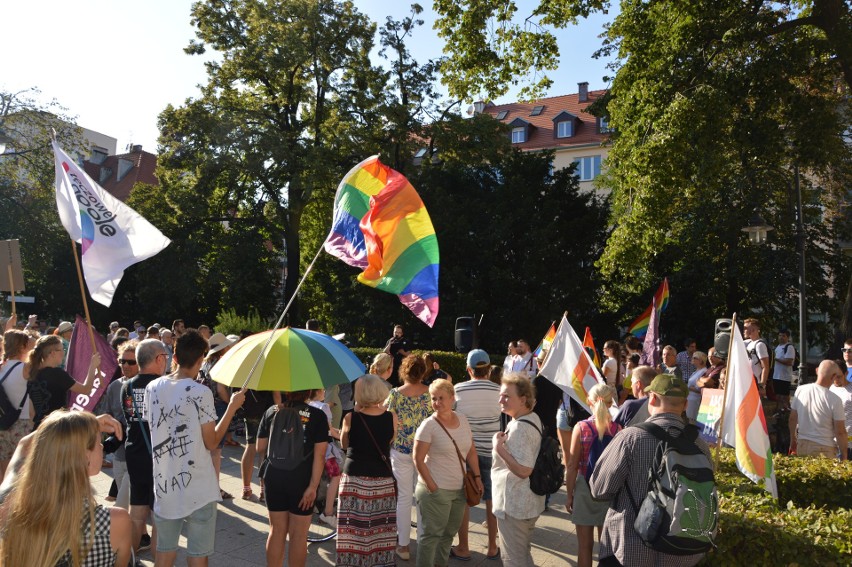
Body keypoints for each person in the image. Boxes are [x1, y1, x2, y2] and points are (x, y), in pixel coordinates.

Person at [145, 329, 246, 567]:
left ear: (175, 357)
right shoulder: (201, 393)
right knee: (198, 555)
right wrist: (231, 408)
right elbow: (212, 443)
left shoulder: (153, 388)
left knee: (165, 552)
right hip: (199, 487)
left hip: (165, 484)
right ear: (201, 360)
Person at [590, 374, 712, 566]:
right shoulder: (701, 446)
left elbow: (599, 489)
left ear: (652, 398)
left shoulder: (630, 438)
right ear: (685, 404)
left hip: (630, 551)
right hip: (683, 553)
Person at [0, 410, 132, 567]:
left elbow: (23, 445)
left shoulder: (9, 507)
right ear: (85, 458)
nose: (102, 446)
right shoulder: (115, 522)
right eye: (98, 443)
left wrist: (73, 427)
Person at [413, 379, 483, 567]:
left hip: (459, 489)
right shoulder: (429, 425)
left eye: (441, 398)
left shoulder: (463, 419)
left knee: (448, 535)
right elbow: (418, 459)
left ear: (452, 398)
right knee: (431, 536)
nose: (436, 402)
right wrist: (432, 487)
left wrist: (477, 477)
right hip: (436, 491)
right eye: (433, 398)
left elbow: (471, 451)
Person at [257, 389, 328, 567]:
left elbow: (260, 447)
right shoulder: (317, 415)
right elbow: (320, 456)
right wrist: (313, 486)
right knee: (298, 535)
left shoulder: (272, 411)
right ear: (309, 391)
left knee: (276, 530)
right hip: (301, 478)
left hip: (274, 475)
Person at [337, 375, 398, 566]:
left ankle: (351, 561)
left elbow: (344, 444)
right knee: (380, 527)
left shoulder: (351, 417)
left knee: (352, 526)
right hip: (382, 479)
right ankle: (379, 561)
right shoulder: (391, 417)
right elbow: (389, 442)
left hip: (354, 477)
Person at [491, 373, 546, 567]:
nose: (501, 399)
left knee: (513, 560)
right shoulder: (531, 418)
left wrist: (498, 448)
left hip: (515, 506)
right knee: (522, 555)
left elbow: (524, 470)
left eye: (506, 396)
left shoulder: (520, 428)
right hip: (526, 503)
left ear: (523, 399)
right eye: (501, 395)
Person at [451, 350, 501, 560]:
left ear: (469, 369)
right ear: (489, 369)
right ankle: (492, 546)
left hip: (466, 451)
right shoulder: (500, 390)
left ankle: (463, 546)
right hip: (493, 451)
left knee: (464, 497)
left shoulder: (458, 389)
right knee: (492, 500)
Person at [564, 384, 621, 567]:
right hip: (609, 491)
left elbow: (572, 465)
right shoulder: (619, 429)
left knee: (584, 546)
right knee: (606, 547)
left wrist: (569, 494)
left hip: (584, 487)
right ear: (611, 402)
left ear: (589, 401)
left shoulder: (581, 427)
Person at [121, 338, 168, 553]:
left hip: (135, 453)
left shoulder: (126, 386)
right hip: (161, 456)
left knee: (137, 510)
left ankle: (129, 558)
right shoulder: (164, 387)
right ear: (158, 359)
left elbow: (128, 418)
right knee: (160, 513)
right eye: (165, 357)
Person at [384, 354, 431, 561]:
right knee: (423, 499)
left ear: (404, 370)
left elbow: (386, 419)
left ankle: (403, 546)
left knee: (403, 498)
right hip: (425, 452)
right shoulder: (431, 394)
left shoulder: (395, 394)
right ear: (423, 372)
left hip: (401, 450)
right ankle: (424, 543)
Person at [198, 332, 239, 499]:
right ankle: (215, 488)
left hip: (205, 408)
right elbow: (221, 389)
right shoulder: (220, 364)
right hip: (219, 408)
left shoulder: (205, 364)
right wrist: (232, 404)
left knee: (208, 450)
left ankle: (207, 486)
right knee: (216, 451)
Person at [27, 334, 101, 428]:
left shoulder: (33, 374)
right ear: (52, 353)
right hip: (57, 427)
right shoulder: (57, 374)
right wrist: (92, 367)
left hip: (39, 428)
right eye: (62, 349)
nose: (64, 353)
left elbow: (31, 413)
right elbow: (86, 390)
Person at [102, 340, 139, 509]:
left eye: (131, 362)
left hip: (140, 454)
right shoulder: (114, 386)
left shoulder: (149, 386)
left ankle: (141, 532)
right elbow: (107, 416)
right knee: (124, 504)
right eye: (122, 361)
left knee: (136, 502)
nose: (125, 365)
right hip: (119, 454)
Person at [789, 360, 847, 460]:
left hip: (802, 443)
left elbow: (792, 418)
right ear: (833, 377)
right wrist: (844, 454)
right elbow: (840, 432)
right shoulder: (835, 400)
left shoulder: (800, 390)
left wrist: (792, 440)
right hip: (824, 447)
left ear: (817, 371)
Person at [0, 330, 35, 477]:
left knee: (4, 471)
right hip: (23, 423)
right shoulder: (26, 368)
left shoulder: (2, 367)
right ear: (22, 347)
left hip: (2, 424)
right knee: (22, 473)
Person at [307, 388, 341, 527]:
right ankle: (327, 512)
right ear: (318, 392)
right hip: (325, 450)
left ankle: (313, 505)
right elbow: (328, 429)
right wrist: (340, 435)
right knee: (336, 476)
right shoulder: (323, 407)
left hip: (310, 449)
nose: (325, 391)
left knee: (313, 477)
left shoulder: (307, 405)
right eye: (323, 390)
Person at [829, 360, 852, 460]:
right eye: (833, 377)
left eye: (839, 376)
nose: (836, 380)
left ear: (846, 373)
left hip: (849, 443)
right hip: (833, 442)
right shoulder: (830, 389)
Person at [743, 318, 771, 397]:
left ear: (753, 329)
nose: (743, 330)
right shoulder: (748, 343)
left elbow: (765, 367)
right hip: (748, 381)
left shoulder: (760, 345)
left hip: (756, 383)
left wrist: (762, 386)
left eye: (745, 328)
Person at [773, 329, 796, 410]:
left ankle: (786, 412)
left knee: (784, 396)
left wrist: (776, 359)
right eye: (780, 335)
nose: (781, 337)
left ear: (787, 337)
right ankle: (779, 413)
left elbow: (789, 361)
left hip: (784, 377)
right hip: (776, 376)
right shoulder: (777, 347)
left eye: (783, 336)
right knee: (777, 396)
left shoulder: (789, 347)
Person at [685, 351, 708, 423]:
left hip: (696, 401)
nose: (692, 359)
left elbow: (701, 389)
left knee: (693, 422)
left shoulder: (704, 371)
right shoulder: (697, 371)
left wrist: (689, 387)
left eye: (695, 358)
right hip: (690, 399)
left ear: (701, 360)